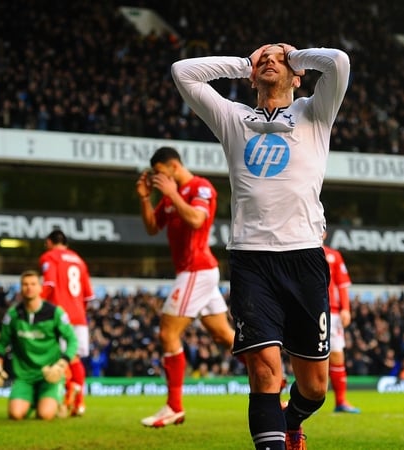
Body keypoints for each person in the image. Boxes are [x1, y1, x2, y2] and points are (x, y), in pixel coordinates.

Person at [172, 43, 350, 450]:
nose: (271, 60)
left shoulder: (314, 113)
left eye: (279, 58)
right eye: (263, 58)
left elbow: (338, 62)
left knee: (315, 388)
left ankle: (293, 420)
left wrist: (296, 54)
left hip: (304, 255)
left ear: (298, 73)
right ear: (252, 75)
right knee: (264, 371)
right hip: (251, 259)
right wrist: (243, 63)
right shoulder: (233, 117)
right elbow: (183, 72)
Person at [135, 146, 235, 428]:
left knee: (167, 333)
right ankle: (273, 385)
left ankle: (174, 407)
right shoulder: (170, 197)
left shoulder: (199, 187)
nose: (157, 178)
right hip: (195, 272)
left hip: (196, 270)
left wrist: (172, 194)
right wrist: (145, 199)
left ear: (173, 166)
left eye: (159, 172)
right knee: (225, 337)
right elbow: (153, 227)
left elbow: (197, 219)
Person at [0, 270, 78, 420]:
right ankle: (33, 400)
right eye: (25, 284)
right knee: (15, 414)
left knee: (45, 415)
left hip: (50, 374)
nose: (29, 287)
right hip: (24, 376)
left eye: (33, 284)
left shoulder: (55, 313)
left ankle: (62, 398)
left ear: (40, 288)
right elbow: (1, 343)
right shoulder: (13, 315)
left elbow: (72, 341)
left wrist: (62, 364)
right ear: (20, 288)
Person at [39, 229, 95, 416]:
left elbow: (49, 285)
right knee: (75, 359)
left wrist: (35, 309)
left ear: (49, 242)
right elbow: (88, 295)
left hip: (59, 315)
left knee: (60, 359)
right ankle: (79, 403)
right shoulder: (79, 260)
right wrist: (79, 311)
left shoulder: (50, 257)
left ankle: (66, 398)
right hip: (79, 315)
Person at [323, 234, 360, 414]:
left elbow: (342, 284)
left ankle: (341, 401)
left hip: (333, 312)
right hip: (307, 311)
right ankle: (306, 401)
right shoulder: (300, 252)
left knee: (337, 356)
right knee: (307, 357)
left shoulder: (333, 255)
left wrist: (346, 308)